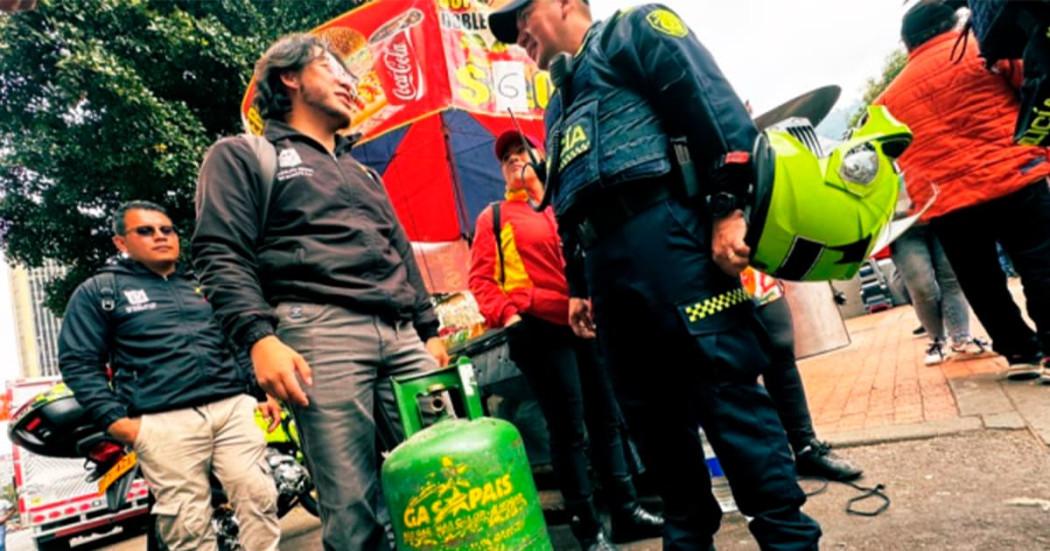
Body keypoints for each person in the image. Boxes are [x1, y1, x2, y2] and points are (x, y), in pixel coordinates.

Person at [490, 2, 822, 549]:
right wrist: (578, 286)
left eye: (524, 12)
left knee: (728, 398)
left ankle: (788, 539)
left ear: (569, 2)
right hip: (607, 273)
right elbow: (571, 201)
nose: (517, 31)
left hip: (672, 243)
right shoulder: (557, 104)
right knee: (651, 421)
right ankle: (687, 536)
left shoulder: (635, 31)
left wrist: (725, 207)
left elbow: (714, 109)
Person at [192, 34, 449, 551]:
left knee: (449, 473)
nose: (350, 83)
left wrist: (429, 329)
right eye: (333, 67)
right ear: (290, 76)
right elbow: (220, 252)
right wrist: (259, 338)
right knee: (352, 506)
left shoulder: (363, 173)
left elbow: (398, 253)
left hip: (404, 339)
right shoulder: (245, 155)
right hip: (319, 336)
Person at [468, 130, 662, 549]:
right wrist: (510, 316)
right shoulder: (495, 216)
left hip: (587, 324)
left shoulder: (563, 205)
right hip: (538, 330)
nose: (516, 159)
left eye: (523, 151)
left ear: (542, 157)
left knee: (606, 417)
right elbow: (481, 280)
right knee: (569, 427)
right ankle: (588, 528)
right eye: (507, 158)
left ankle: (626, 512)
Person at [58, 201, 280, 551]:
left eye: (166, 230)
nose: (160, 237)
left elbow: (235, 340)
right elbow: (78, 362)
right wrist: (116, 421)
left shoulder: (203, 285)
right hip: (162, 422)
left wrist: (259, 392)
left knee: (261, 497)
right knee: (187, 524)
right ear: (121, 243)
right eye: (145, 231)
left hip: (231, 409)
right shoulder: (99, 292)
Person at [875, 1, 1050, 381]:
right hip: (1014, 176)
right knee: (1040, 262)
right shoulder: (987, 50)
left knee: (980, 281)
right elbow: (1030, 87)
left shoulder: (887, 99)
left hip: (949, 203)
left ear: (908, 43)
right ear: (950, 24)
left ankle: (1020, 351)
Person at [741, 268, 863, 481]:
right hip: (700, 276)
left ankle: (805, 447)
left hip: (753, 272)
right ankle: (762, 457)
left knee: (781, 351)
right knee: (730, 366)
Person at [889, 224, 988, 365]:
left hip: (942, 214)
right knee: (921, 287)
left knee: (951, 279)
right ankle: (937, 340)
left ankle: (961, 338)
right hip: (901, 225)